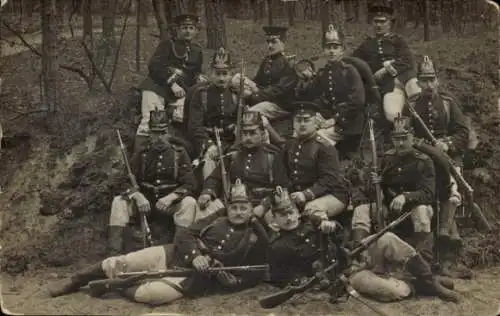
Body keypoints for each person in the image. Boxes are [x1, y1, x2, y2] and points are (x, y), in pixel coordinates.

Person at [48, 179, 269, 306]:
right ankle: (76, 281)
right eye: (235, 207)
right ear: (228, 208)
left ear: (251, 210)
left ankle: (115, 285)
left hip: (192, 279)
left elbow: (253, 271)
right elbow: (185, 235)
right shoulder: (216, 218)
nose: (238, 212)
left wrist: (226, 281)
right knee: (121, 261)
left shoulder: (255, 237)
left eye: (244, 208)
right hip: (173, 254)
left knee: (151, 296)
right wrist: (196, 256)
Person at [406, 55, 472, 279]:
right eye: (423, 80)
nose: (428, 84)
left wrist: (447, 143)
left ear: (437, 80)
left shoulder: (448, 103)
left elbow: (463, 133)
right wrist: (423, 148)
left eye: (431, 79)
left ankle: (446, 245)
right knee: (424, 200)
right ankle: (428, 257)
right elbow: (404, 135)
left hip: (449, 158)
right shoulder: (412, 105)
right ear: (417, 81)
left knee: (452, 192)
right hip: (423, 160)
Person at [108, 108, 199, 255]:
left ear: (168, 133)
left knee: (190, 203)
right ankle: (114, 253)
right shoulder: (142, 154)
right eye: (155, 133)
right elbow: (123, 181)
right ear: (149, 134)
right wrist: (137, 196)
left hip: (169, 205)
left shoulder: (179, 154)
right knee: (119, 202)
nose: (159, 138)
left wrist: (172, 197)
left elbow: (190, 184)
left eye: (163, 133)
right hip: (145, 204)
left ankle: (180, 253)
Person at [351, 114, 436, 263]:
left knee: (422, 212)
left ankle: (423, 263)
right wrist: (375, 183)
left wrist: (406, 197)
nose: (401, 143)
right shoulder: (385, 159)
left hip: (412, 210)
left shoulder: (424, 161)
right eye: (397, 139)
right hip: (388, 209)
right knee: (361, 211)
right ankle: (359, 257)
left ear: (412, 137)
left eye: (405, 138)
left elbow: (428, 194)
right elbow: (368, 191)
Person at [198, 110, 290, 218]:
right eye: (244, 133)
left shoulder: (272, 155)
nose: (248, 138)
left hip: (260, 204)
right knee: (205, 213)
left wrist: (264, 206)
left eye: (252, 133)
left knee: (274, 219)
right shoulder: (233, 153)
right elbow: (215, 177)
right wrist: (207, 192)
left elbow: (282, 187)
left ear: (262, 133)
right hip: (233, 203)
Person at [136, 13, 205, 157]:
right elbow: (154, 66)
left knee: (183, 121)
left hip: (181, 91)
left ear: (196, 31)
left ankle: (181, 158)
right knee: (149, 121)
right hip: (157, 86)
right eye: (184, 27)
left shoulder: (197, 51)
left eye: (191, 28)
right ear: (177, 30)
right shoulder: (167, 44)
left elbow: (195, 72)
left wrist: (199, 78)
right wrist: (172, 83)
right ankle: (139, 159)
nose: (188, 31)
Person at [352, 2, 421, 124]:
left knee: (419, 96)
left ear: (390, 24)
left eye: (383, 21)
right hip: (386, 87)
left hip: (404, 80)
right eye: (376, 21)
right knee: (393, 115)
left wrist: (385, 70)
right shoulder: (366, 45)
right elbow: (353, 61)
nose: (379, 25)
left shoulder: (398, 41)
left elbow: (407, 61)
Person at [304, 24, 366, 158]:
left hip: (349, 123)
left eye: (335, 47)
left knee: (315, 139)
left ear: (342, 50)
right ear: (323, 51)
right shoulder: (323, 73)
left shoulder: (350, 71)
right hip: (329, 119)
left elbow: (358, 102)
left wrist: (335, 120)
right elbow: (312, 96)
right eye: (328, 47)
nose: (331, 51)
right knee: (300, 131)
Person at [283, 101, 350, 221]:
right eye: (298, 120)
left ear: (315, 123)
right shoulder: (289, 145)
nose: (302, 124)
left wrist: (307, 194)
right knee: (277, 212)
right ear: (293, 123)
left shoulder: (325, 147)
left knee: (311, 210)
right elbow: (283, 173)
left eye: (307, 120)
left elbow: (330, 179)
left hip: (332, 194)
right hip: (300, 194)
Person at [266, 186, 341, 287]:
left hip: (334, 268)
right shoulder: (277, 245)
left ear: (297, 212)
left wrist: (332, 226)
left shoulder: (311, 221)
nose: (288, 218)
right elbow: (279, 276)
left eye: (291, 212)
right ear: (274, 219)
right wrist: (297, 280)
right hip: (310, 283)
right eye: (283, 215)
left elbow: (339, 234)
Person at [184, 47, 239, 178]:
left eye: (225, 74)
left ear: (231, 75)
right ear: (210, 73)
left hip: (229, 142)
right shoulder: (201, 94)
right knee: (209, 160)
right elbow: (195, 127)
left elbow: (241, 123)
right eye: (217, 74)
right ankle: (207, 194)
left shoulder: (236, 95)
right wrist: (208, 145)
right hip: (206, 141)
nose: (221, 78)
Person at [241, 26, 298, 121]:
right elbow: (257, 81)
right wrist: (247, 87)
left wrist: (254, 95)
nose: (270, 46)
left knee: (251, 114)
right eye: (268, 42)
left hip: (280, 104)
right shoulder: (267, 61)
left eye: (274, 42)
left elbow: (279, 90)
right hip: (264, 98)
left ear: (283, 43)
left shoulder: (289, 64)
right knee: (238, 79)